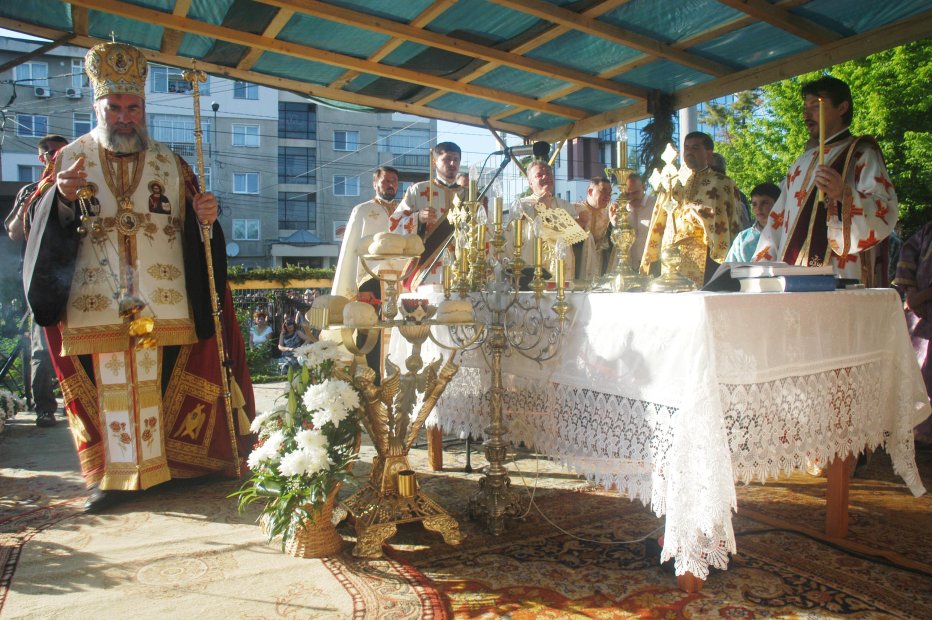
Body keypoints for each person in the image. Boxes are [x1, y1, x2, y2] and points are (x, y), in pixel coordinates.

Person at [22, 41, 254, 513]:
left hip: (161, 298)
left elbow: (196, 225)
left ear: (144, 108)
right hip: (94, 299)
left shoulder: (171, 163)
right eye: (115, 107)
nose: (124, 116)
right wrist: (62, 199)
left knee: (159, 382)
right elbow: (33, 225)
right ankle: (113, 477)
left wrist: (206, 216)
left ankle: (163, 469)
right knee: (110, 387)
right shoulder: (70, 159)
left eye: (133, 107)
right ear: (97, 106)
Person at [753, 76, 897, 284]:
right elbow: (779, 220)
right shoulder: (800, 163)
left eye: (815, 105)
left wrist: (844, 195)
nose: (806, 113)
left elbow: (885, 210)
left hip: (840, 272)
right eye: (805, 107)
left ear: (842, 107)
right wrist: (759, 268)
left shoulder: (861, 153)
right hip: (792, 276)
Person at [5, 134, 68, 428]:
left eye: (62, 151)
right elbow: (14, 231)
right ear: (41, 158)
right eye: (51, 153)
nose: (56, 157)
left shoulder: (84, 182)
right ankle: (45, 407)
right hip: (42, 279)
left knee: (82, 343)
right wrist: (33, 199)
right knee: (43, 348)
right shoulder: (33, 189)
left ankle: (77, 401)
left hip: (76, 275)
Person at [640, 131, 743, 286]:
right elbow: (660, 216)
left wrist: (699, 214)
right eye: (686, 148)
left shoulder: (722, 183)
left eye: (695, 148)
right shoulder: (675, 182)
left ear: (708, 152)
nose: (688, 152)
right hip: (672, 252)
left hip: (708, 253)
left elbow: (731, 221)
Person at [332, 166, 402, 374]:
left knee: (398, 331)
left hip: (399, 279)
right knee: (369, 331)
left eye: (394, 181)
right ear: (375, 183)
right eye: (386, 180)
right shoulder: (362, 210)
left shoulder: (404, 212)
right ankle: (370, 380)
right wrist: (355, 284)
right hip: (370, 280)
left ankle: (395, 379)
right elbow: (351, 250)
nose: (390, 184)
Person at [390, 142, 465, 290]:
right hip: (427, 268)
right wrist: (418, 218)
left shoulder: (469, 196)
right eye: (447, 159)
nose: (452, 163)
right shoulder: (418, 190)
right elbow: (394, 225)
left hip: (461, 268)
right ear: (434, 161)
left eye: (456, 159)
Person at [510, 160, 586, 285]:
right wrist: (540, 207)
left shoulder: (565, 205)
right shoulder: (521, 205)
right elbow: (512, 235)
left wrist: (581, 223)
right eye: (539, 175)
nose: (546, 177)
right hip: (531, 267)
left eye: (549, 174)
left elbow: (572, 236)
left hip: (561, 269)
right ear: (530, 183)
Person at [892, 222, 932, 444]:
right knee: (917, 369)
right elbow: (908, 250)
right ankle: (918, 429)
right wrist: (912, 291)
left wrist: (925, 294)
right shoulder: (927, 230)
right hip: (921, 316)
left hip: (924, 304)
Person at [609, 172, 656, 272]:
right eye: (627, 194)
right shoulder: (620, 210)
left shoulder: (656, 206)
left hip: (653, 264)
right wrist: (615, 224)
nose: (631, 197)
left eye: (635, 192)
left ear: (644, 187)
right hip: (629, 266)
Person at [725, 182, 781, 263]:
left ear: (778, 204)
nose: (758, 208)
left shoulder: (785, 234)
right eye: (754, 204)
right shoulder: (742, 239)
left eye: (764, 203)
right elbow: (729, 268)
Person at [576, 176, 614, 282]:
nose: (608, 196)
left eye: (610, 193)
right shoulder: (574, 210)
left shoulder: (609, 214)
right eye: (604, 191)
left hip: (600, 266)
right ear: (590, 191)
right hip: (578, 264)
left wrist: (614, 223)